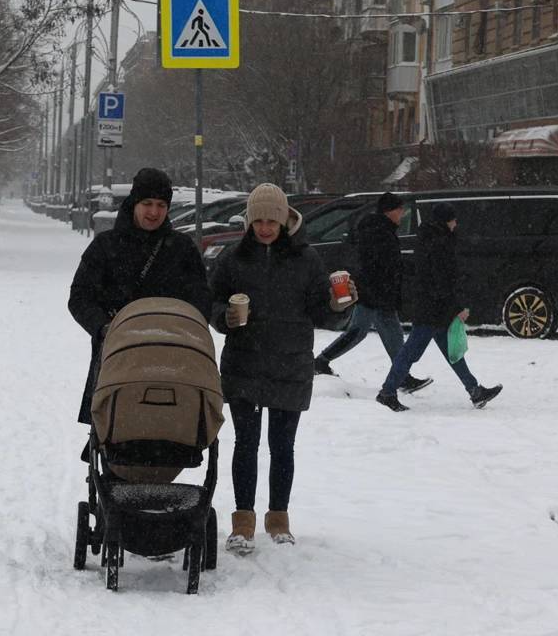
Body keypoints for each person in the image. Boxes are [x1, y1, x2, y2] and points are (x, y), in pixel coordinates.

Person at [209, 183, 356, 553]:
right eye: (257, 220)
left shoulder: (306, 260)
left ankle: (279, 519)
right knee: (245, 444)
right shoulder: (233, 258)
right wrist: (224, 317)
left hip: (290, 364)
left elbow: (322, 312)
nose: (264, 228)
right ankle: (242, 522)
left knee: (282, 446)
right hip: (244, 362)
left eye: (270, 220)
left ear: (285, 218)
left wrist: (341, 306)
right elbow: (210, 301)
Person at [68, 168, 212, 460]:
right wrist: (103, 327)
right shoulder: (106, 247)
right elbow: (80, 297)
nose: (154, 212)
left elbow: (200, 298)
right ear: (134, 203)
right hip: (117, 353)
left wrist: (189, 328)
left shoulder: (182, 249)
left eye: (161, 205)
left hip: (171, 352)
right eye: (147, 204)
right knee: (116, 423)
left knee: (168, 423)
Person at [375, 203, 502, 412]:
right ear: (445, 221)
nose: (455, 223)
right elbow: (443, 280)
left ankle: (475, 390)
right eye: (453, 219)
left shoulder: (430, 238)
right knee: (410, 353)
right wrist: (458, 307)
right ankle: (387, 392)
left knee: (452, 352)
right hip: (432, 310)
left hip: (432, 306)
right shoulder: (440, 243)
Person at [314, 192, 432, 394]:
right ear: (389, 211)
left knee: (362, 331)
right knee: (377, 331)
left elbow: (385, 262)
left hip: (375, 291)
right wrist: (403, 271)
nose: (402, 213)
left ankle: (322, 361)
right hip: (376, 292)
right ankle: (401, 375)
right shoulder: (379, 231)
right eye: (399, 209)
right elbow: (382, 263)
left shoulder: (380, 229)